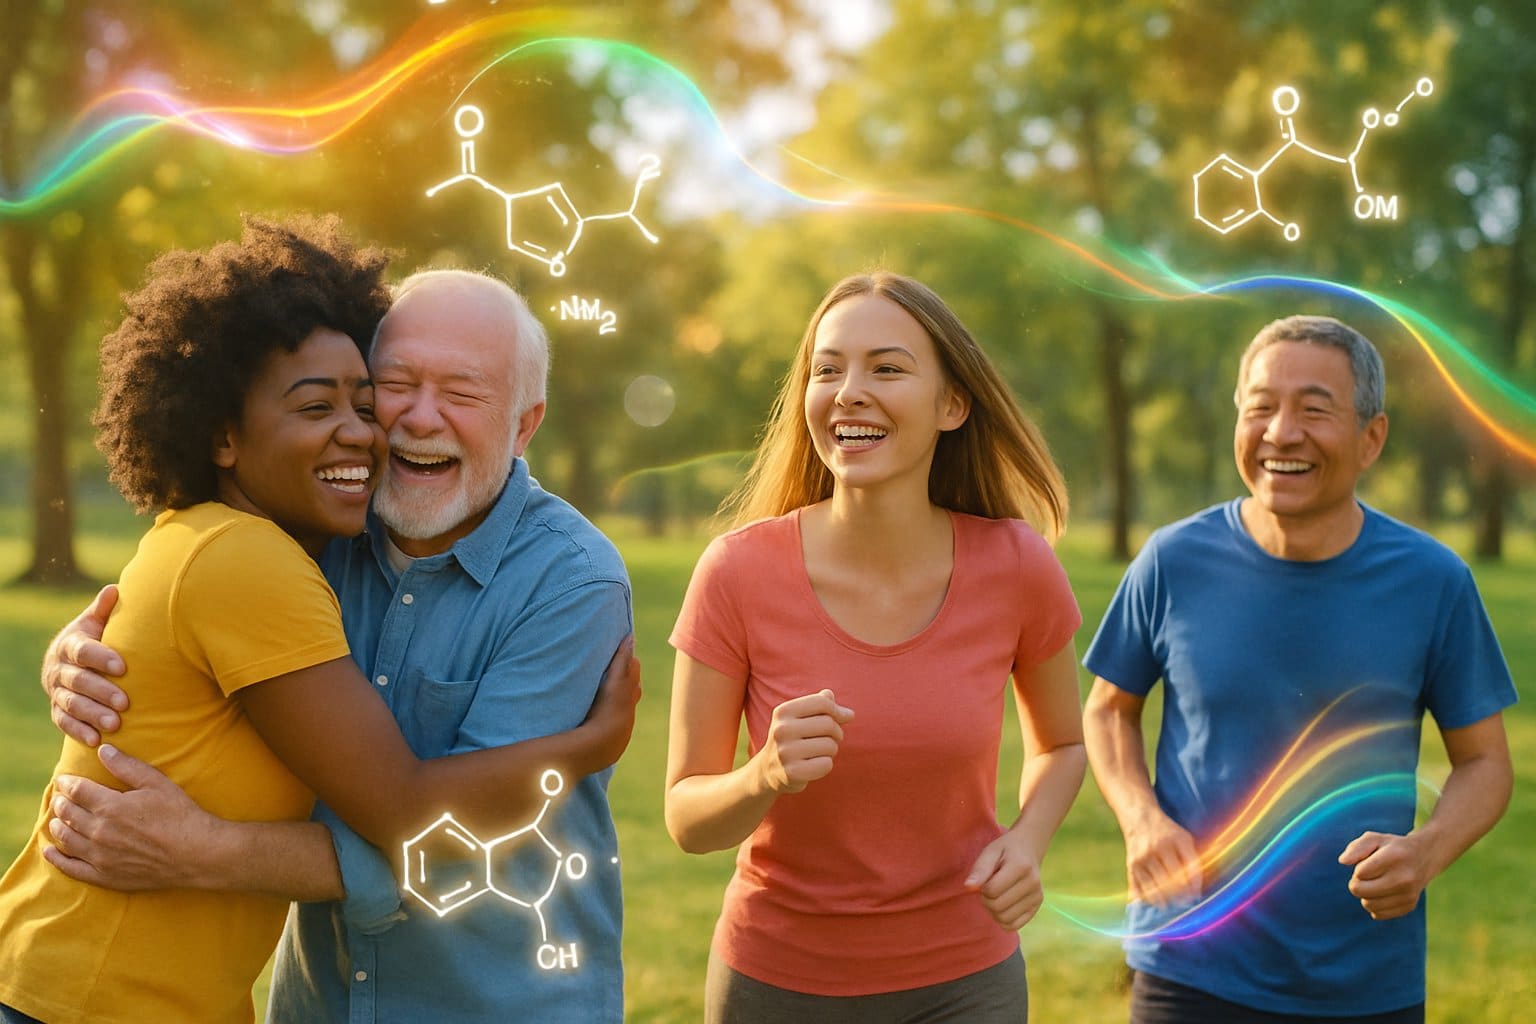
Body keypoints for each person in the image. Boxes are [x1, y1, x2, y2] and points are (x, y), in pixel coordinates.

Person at [0, 219, 635, 1024]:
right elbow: (404, 804)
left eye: (463, 392)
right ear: (221, 435)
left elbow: (437, 840)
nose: (409, 420)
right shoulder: (310, 528)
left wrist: (208, 852)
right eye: (391, 386)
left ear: (524, 425)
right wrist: (74, 653)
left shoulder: (569, 581)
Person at [664, 271, 1087, 1022]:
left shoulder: (1016, 565)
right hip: (777, 984)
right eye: (827, 370)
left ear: (951, 404)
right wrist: (761, 774)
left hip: (967, 983)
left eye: (886, 368)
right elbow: (686, 818)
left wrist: (1026, 843)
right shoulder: (735, 573)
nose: (849, 391)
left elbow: (1062, 746)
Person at [1081, 314, 1516, 1023]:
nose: (1281, 433)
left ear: (1371, 438)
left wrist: (1427, 851)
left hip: (1365, 978)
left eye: (1315, 410)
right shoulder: (1171, 561)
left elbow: (1485, 764)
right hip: (1188, 959)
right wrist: (1140, 821)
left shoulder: (1433, 581)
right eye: (1260, 408)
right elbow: (1107, 709)